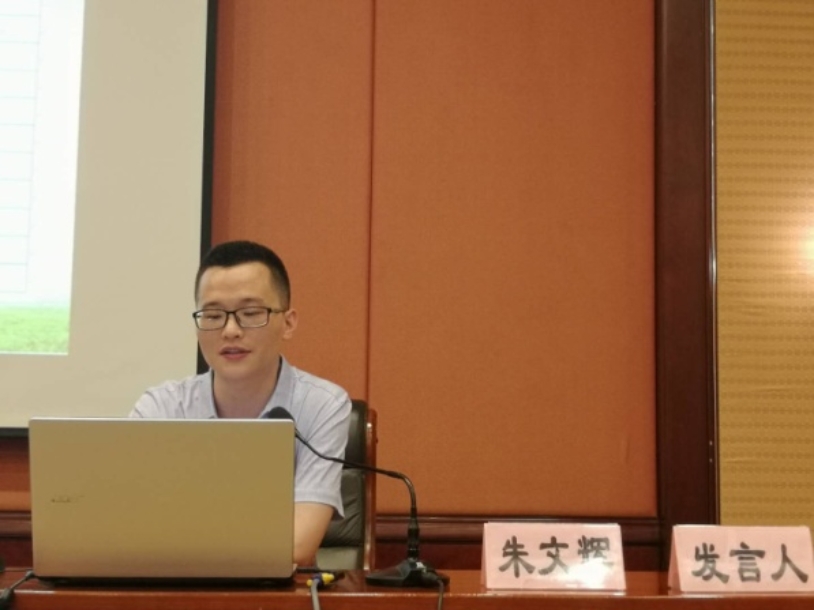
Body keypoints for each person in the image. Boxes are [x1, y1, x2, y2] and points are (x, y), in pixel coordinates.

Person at [130, 240, 351, 567]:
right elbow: (131, 529)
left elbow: (298, 545)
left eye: (250, 314)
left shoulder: (322, 405)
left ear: (288, 323)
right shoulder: (161, 408)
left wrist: (180, 539)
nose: (230, 331)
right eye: (213, 315)